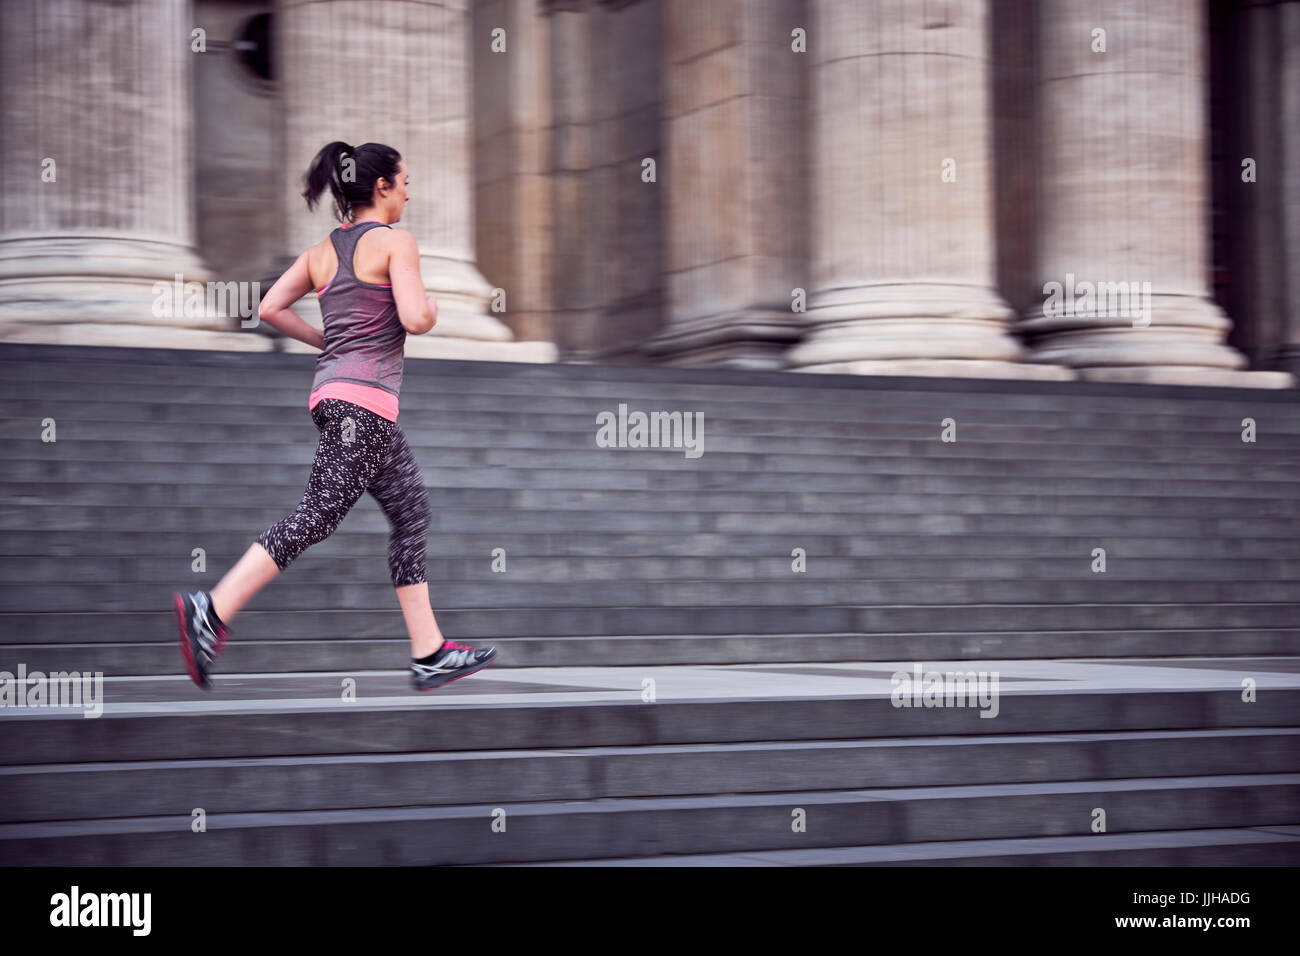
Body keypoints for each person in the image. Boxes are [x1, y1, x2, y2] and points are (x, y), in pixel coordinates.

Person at [173, 141, 496, 692]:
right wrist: (434, 307)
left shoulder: (321, 251)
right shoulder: (396, 243)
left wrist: (329, 342)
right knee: (317, 516)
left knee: (411, 515)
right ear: (382, 187)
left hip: (344, 400)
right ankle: (212, 607)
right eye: (406, 182)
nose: (409, 193)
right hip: (362, 405)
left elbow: (271, 306)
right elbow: (416, 319)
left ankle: (430, 652)